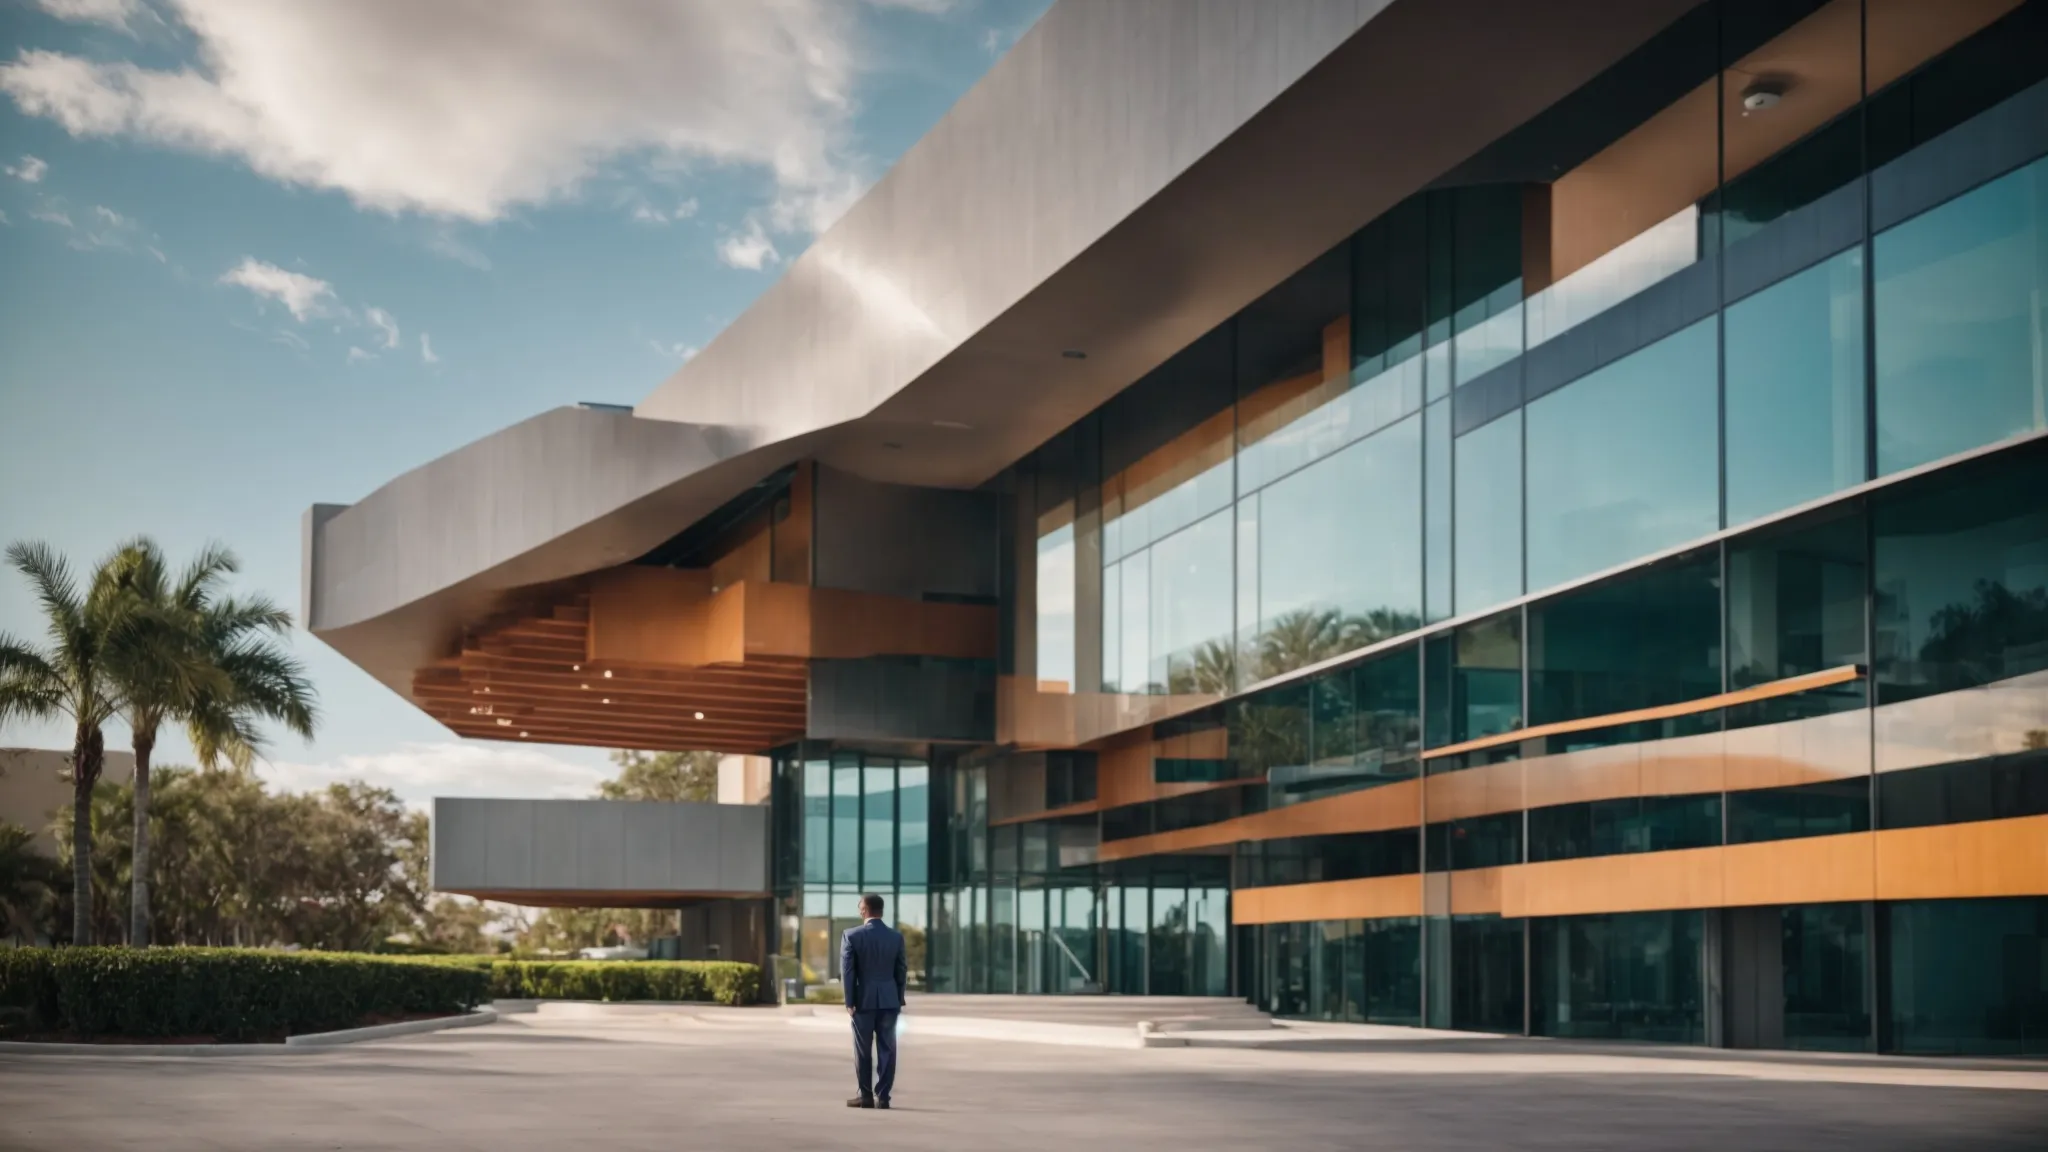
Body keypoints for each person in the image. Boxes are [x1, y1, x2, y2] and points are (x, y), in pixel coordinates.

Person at [841, 892, 907, 1110]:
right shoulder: (896, 937)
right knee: (888, 1048)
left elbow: (848, 972)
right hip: (889, 1001)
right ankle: (884, 1097)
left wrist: (849, 1002)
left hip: (863, 1002)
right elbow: (901, 971)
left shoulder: (851, 935)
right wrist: (898, 998)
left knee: (863, 1049)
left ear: (864, 910)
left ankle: (866, 1096)